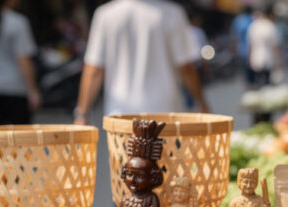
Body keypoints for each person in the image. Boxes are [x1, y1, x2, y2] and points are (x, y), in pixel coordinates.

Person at [73, 0, 207, 124]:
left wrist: (81, 114)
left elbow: (94, 70)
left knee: (122, 151)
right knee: (167, 151)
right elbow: (186, 69)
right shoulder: (172, 14)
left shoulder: (105, 15)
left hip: (120, 116)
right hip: (166, 112)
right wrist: (202, 103)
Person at [246, 8, 279, 88]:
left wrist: (249, 59)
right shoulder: (270, 26)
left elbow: (250, 45)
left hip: (255, 59)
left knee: (257, 85)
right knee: (267, 87)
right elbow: (274, 46)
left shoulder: (253, 26)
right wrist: (277, 62)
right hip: (268, 60)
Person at [230, 6, 254, 86]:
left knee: (245, 70)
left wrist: (234, 49)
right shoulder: (251, 19)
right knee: (251, 70)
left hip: (241, 50)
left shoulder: (238, 20)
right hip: (251, 50)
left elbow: (234, 37)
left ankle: (248, 84)